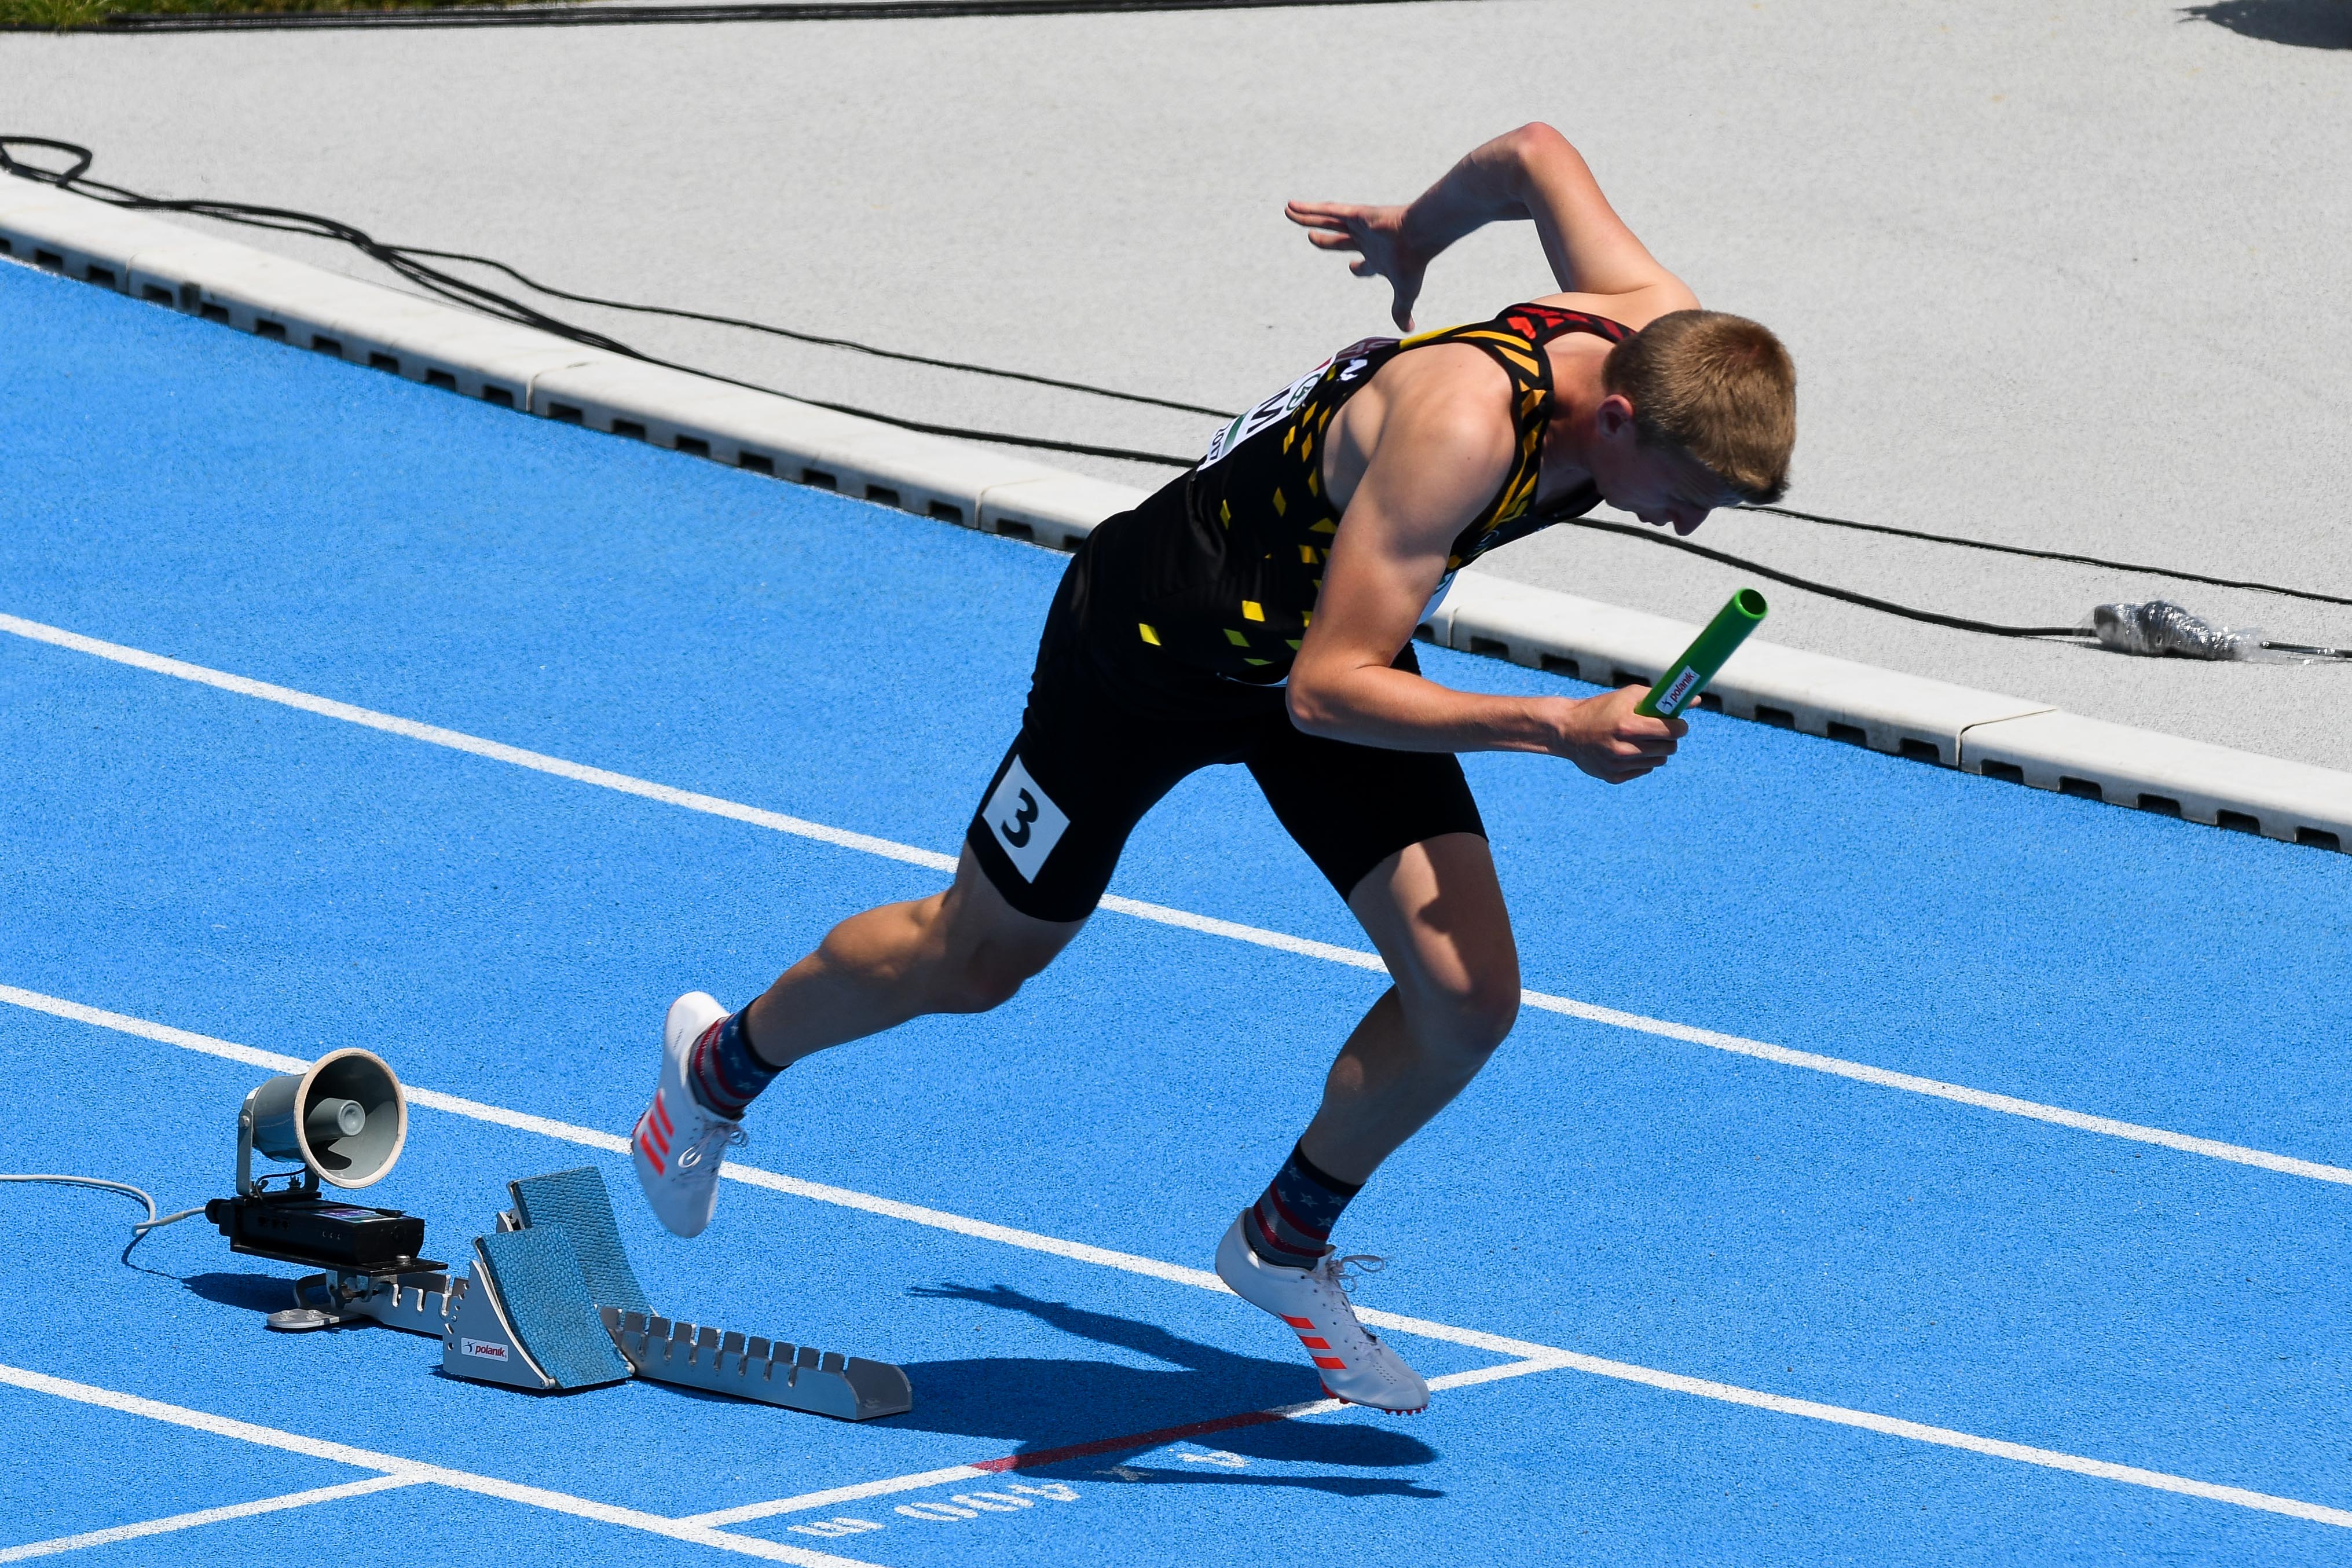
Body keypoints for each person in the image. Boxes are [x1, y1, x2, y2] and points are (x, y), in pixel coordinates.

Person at [631, 123, 1797, 1415]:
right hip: (1149, 646)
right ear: (1620, 411)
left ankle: (1285, 1242)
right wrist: (1559, 727)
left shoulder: (1657, 323)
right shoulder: (1464, 428)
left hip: (1324, 653)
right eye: (1681, 493)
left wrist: (1419, 230)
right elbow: (1330, 690)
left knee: (1467, 998)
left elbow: (1532, 153)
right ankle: (719, 1067)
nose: (1682, 525)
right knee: (976, 959)